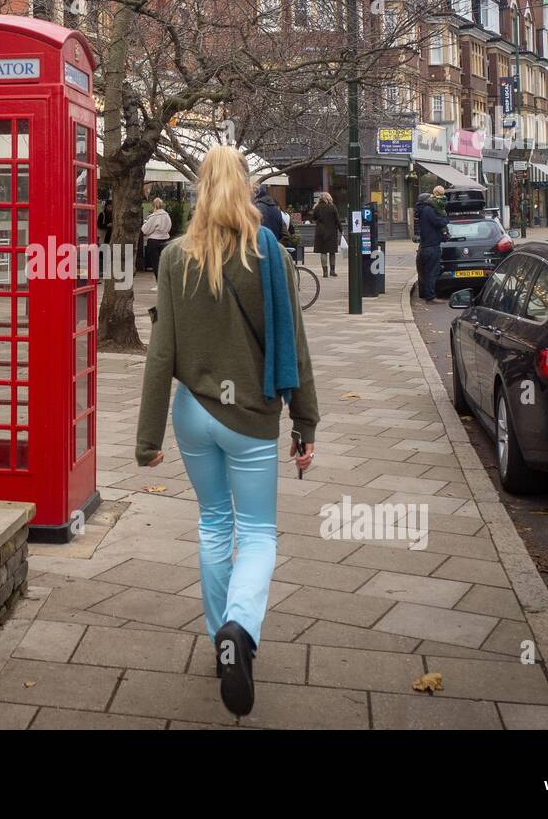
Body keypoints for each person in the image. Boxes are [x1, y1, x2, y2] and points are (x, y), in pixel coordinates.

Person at [136, 146, 319, 718]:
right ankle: (240, 627)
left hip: (192, 413)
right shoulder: (271, 254)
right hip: (252, 418)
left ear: (197, 192)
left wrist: (147, 439)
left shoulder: (172, 257)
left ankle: (222, 643)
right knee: (259, 533)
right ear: (244, 188)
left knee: (213, 524)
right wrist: (305, 421)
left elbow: (160, 352)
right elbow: (297, 346)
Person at [414, 185, 450, 304]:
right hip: (431, 246)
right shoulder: (428, 210)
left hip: (426, 246)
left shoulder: (422, 211)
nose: (432, 199)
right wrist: (446, 220)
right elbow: (438, 222)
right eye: (430, 198)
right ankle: (430, 297)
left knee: (429, 272)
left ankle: (430, 295)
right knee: (432, 273)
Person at [141, 197, 173, 283]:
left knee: (156, 263)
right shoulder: (167, 216)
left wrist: (145, 223)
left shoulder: (153, 217)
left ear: (153, 206)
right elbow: (169, 227)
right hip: (165, 239)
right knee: (165, 262)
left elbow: (145, 230)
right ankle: (167, 281)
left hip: (153, 241)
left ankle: (159, 282)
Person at [311, 191, 342, 277]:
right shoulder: (332, 207)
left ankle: (325, 272)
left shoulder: (317, 207)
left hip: (320, 232)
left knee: (323, 252)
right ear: (329, 198)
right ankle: (332, 271)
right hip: (331, 232)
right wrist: (341, 229)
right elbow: (337, 220)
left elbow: (313, 218)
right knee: (332, 252)